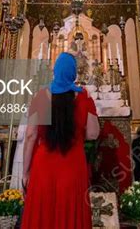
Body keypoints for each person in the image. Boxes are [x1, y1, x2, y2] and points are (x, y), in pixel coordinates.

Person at [21, 52, 100, 229]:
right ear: (73, 74)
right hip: (72, 164)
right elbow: (93, 134)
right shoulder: (84, 97)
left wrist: (25, 172)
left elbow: (30, 135)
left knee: (43, 212)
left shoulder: (40, 97)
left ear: (55, 71)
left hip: (44, 165)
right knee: (70, 210)